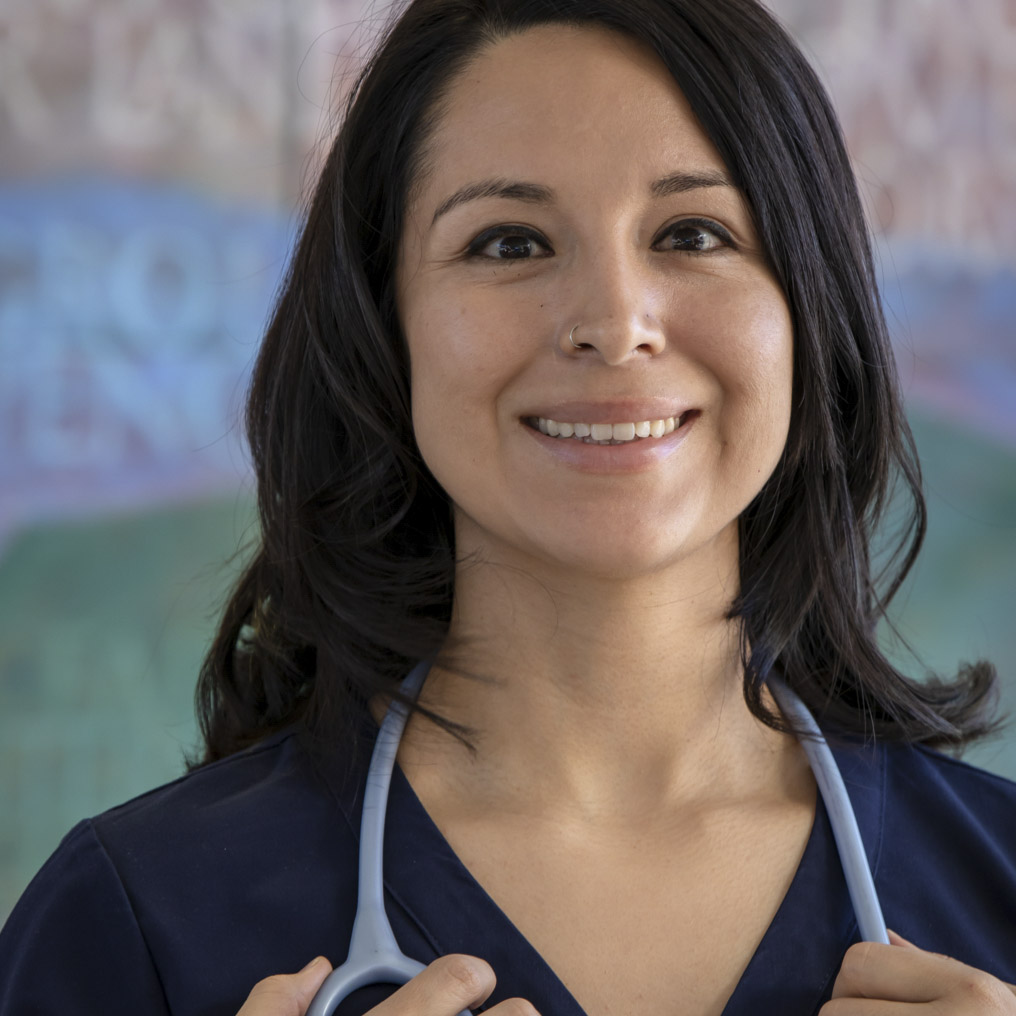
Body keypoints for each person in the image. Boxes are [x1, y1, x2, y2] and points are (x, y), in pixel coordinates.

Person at [2, 0, 1015, 1013]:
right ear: (381, 326)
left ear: (807, 306)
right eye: (507, 243)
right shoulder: (131, 925)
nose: (613, 325)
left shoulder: (994, 887)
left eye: (691, 232)